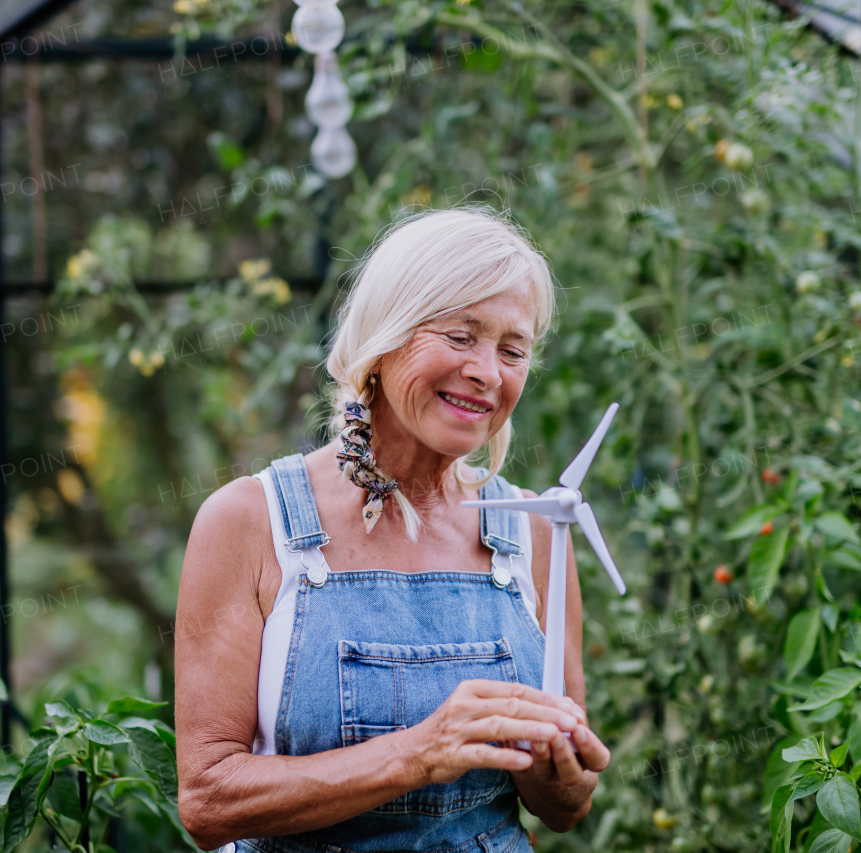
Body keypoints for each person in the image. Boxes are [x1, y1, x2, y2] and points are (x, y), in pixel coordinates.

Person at [175, 206, 611, 853]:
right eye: (461, 337)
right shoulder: (249, 521)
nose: (489, 373)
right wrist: (418, 753)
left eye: (512, 350)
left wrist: (567, 776)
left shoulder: (538, 534)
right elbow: (209, 800)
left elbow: (562, 807)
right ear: (383, 339)